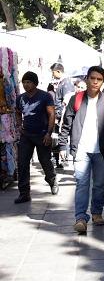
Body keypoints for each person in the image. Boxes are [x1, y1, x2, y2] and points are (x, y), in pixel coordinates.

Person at [58, 66, 104, 234]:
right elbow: (66, 124)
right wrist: (62, 145)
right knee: (82, 184)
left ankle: (97, 213)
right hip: (81, 149)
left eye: (99, 79)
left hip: (101, 150)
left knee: (99, 185)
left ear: (103, 81)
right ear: (87, 79)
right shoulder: (75, 99)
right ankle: (81, 218)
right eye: (92, 78)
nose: (95, 82)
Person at [14, 72, 58, 204]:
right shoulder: (20, 98)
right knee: (22, 163)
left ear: (35, 83)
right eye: (24, 82)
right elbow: (17, 112)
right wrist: (19, 125)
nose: (26, 85)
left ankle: (52, 180)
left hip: (42, 134)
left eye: (29, 82)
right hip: (26, 135)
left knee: (44, 160)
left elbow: (51, 114)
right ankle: (24, 193)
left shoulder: (45, 96)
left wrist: (49, 133)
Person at [51, 62, 75, 168]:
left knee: (64, 136)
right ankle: (60, 158)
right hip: (60, 115)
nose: (53, 75)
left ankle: (64, 158)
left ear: (58, 71)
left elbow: (67, 101)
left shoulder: (66, 83)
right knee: (59, 137)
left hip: (64, 116)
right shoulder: (62, 82)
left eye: (53, 73)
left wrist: (60, 116)